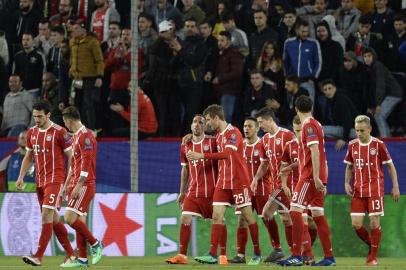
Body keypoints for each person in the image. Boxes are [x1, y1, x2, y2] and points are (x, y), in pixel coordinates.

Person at [188, 104, 262, 265]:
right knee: (217, 216)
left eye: (208, 120)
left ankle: (257, 253)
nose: (207, 123)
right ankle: (213, 254)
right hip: (223, 182)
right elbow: (204, 141)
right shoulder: (218, 136)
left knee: (248, 218)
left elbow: (227, 154)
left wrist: (201, 155)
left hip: (239, 182)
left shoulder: (233, 133)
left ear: (216, 118)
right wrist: (190, 137)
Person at [277, 95, 335, 266]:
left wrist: (316, 177)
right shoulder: (316, 124)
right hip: (316, 174)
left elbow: (315, 151)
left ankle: (297, 255)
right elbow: (317, 154)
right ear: (311, 107)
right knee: (317, 214)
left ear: (296, 109)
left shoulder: (308, 125)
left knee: (294, 211)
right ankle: (329, 257)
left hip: (310, 176)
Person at [16, 100, 75, 266]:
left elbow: (71, 157)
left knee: (46, 215)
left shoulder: (60, 132)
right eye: (34, 116)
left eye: (40, 116)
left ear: (48, 115)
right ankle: (71, 254)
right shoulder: (32, 133)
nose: (37, 119)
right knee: (54, 218)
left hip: (55, 181)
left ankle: (38, 256)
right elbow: (28, 157)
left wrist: (68, 181)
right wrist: (21, 177)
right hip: (39, 182)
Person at [344, 114, 400, 266]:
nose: (359, 134)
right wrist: (346, 183)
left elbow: (390, 166)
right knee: (356, 224)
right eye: (357, 130)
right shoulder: (352, 145)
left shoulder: (378, 145)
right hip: (358, 190)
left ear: (369, 129)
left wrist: (395, 186)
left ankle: (372, 257)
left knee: (374, 223)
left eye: (362, 130)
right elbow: (349, 166)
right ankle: (372, 245)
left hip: (375, 189)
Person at [165, 115, 219, 264]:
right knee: (185, 217)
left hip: (212, 191)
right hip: (193, 191)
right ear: (190, 125)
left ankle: (222, 255)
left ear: (205, 126)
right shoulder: (185, 145)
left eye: (200, 122)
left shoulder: (213, 142)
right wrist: (182, 192)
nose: (197, 125)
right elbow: (185, 170)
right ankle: (182, 255)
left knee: (218, 220)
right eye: (194, 122)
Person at [230, 117, 277, 264]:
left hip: (262, 188)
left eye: (249, 126)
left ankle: (278, 249)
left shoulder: (263, 144)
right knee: (241, 221)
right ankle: (241, 255)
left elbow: (270, 165)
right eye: (244, 126)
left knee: (266, 218)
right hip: (244, 190)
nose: (246, 129)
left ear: (257, 128)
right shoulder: (239, 145)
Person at [60, 106, 103, 267]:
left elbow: (86, 164)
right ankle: (83, 260)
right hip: (76, 184)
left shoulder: (86, 137)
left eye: (65, 122)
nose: (65, 125)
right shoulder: (76, 136)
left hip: (85, 184)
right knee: (80, 222)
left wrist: (78, 185)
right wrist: (66, 184)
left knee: (69, 218)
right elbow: (74, 164)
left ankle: (96, 244)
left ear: (69, 121)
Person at [253, 108, 294, 262]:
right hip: (277, 184)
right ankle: (291, 251)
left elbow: (298, 157)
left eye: (261, 122)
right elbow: (264, 164)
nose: (260, 126)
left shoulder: (287, 135)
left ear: (270, 120)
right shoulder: (264, 140)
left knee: (268, 213)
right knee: (285, 218)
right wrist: (256, 179)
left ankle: (285, 250)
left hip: (288, 184)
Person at [279, 115, 316, 265]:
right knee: (302, 219)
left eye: (301, 130)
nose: (300, 134)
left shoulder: (312, 144)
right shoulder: (289, 146)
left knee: (312, 223)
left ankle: (304, 253)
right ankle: (307, 255)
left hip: (312, 185)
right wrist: (284, 185)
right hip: (296, 187)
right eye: (296, 131)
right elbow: (283, 167)